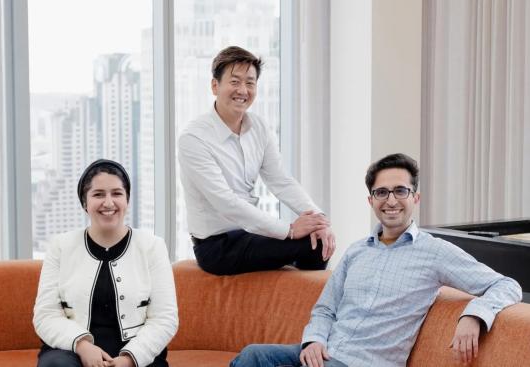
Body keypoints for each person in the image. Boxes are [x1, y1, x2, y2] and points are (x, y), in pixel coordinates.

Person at [230, 153, 522, 367]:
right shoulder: (357, 251)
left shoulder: (435, 252)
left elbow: (505, 285)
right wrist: (314, 340)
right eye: (381, 192)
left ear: (415, 198)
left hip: (364, 363)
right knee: (252, 356)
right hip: (325, 352)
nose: (391, 200)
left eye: (400, 191)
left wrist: (473, 316)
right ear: (371, 201)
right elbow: (325, 309)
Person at [178, 46, 335, 275]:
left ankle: (293, 303)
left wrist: (319, 219)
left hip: (248, 233)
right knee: (308, 244)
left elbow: (281, 181)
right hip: (217, 246)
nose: (243, 90)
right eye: (235, 81)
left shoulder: (258, 127)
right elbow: (226, 203)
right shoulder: (194, 138)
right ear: (215, 86)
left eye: (250, 83)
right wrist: (289, 230)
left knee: (317, 241)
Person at [33, 159, 178, 367]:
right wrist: (83, 346)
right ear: (85, 202)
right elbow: (45, 315)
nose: (108, 203)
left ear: (127, 200)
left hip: (137, 353)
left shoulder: (152, 247)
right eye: (98, 194)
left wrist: (129, 359)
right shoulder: (60, 246)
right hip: (70, 350)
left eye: (117, 193)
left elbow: (165, 318)